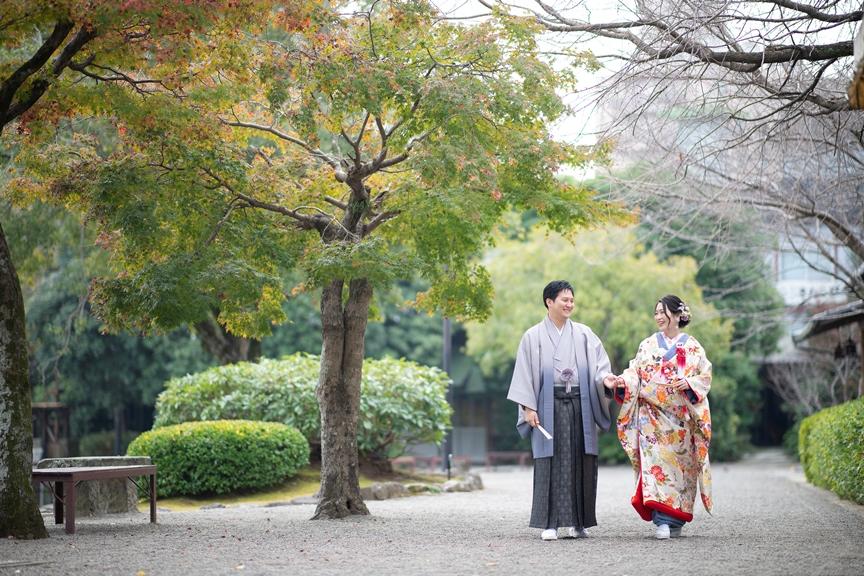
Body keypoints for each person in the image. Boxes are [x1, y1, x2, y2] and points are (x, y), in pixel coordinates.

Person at [507, 280, 618, 541]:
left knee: (582, 459)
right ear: (549, 302)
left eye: (571, 300)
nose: (569, 304)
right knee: (550, 462)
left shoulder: (584, 334)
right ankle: (550, 523)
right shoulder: (532, 336)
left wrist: (607, 381)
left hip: (581, 404)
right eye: (564, 300)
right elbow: (524, 376)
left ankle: (579, 523)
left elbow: (601, 368)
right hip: (548, 406)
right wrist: (528, 407)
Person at [605, 294, 713, 540]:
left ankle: (676, 520)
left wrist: (688, 382)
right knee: (656, 467)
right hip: (651, 418)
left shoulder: (693, 346)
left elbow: (704, 377)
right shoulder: (647, 344)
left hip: (682, 418)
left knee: (682, 470)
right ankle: (661, 521)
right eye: (655, 313)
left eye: (661, 312)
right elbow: (635, 373)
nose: (657, 317)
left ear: (676, 314)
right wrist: (623, 380)